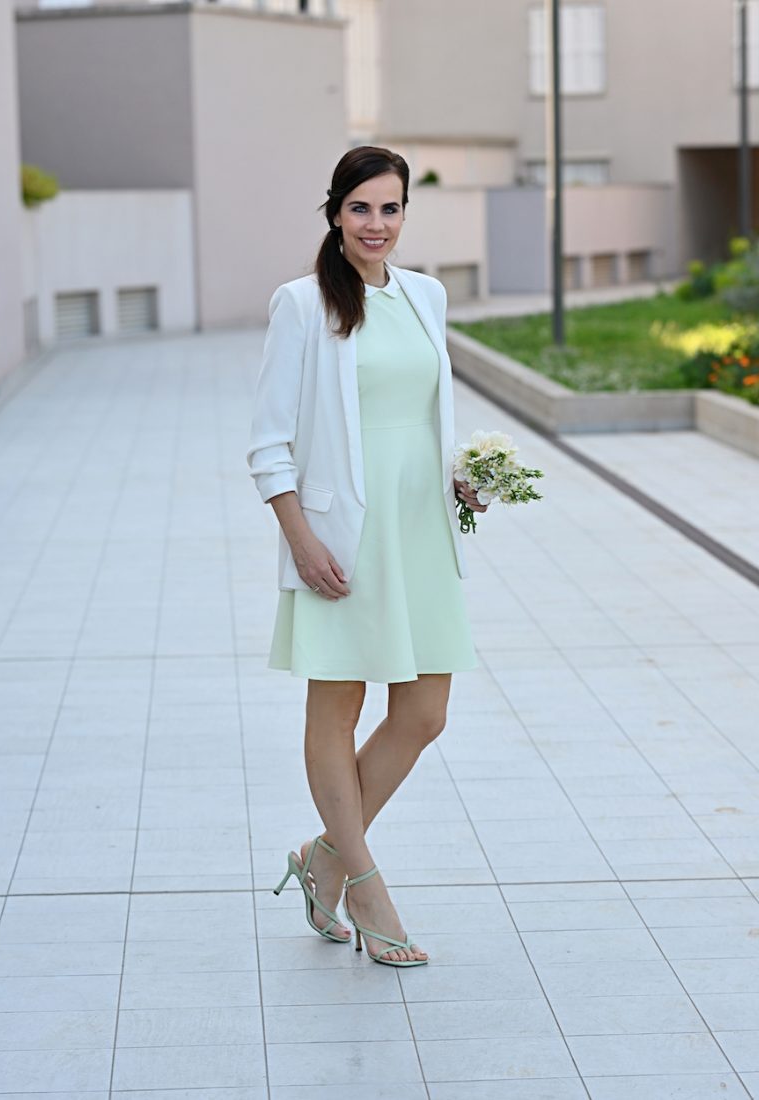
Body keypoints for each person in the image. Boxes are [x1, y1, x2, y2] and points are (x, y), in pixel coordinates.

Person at [246, 146, 486, 967]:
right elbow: (268, 444)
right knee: (337, 710)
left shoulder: (425, 296)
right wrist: (301, 542)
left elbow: (420, 418)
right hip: (340, 541)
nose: (375, 224)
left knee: (424, 714)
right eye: (360, 208)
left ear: (405, 213)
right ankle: (366, 885)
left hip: (420, 533)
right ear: (335, 213)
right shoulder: (301, 304)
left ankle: (322, 860)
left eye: (390, 208)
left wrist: (462, 479)